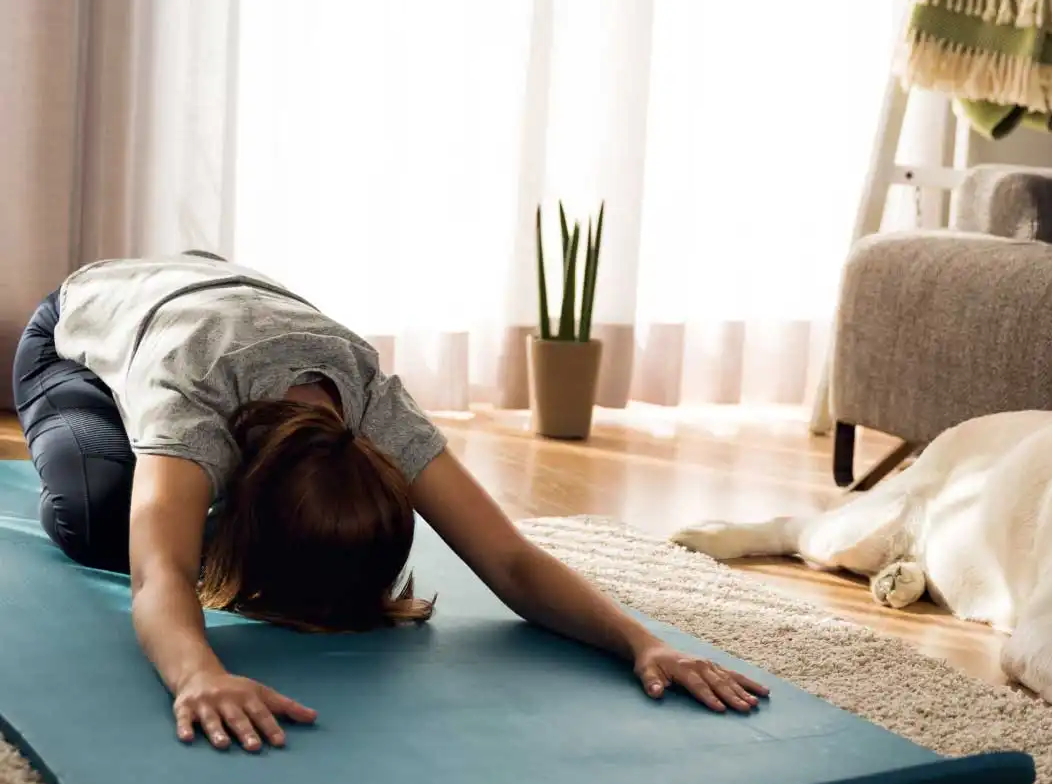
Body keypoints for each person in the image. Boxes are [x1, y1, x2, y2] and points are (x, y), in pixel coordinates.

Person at [13, 253, 768, 752]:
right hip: (81, 330)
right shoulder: (189, 402)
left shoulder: (375, 406)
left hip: (214, 297)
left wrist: (644, 644)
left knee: (167, 499)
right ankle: (147, 464)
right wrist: (198, 673)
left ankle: (192, 495)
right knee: (98, 515)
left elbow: (508, 557)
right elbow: (162, 576)